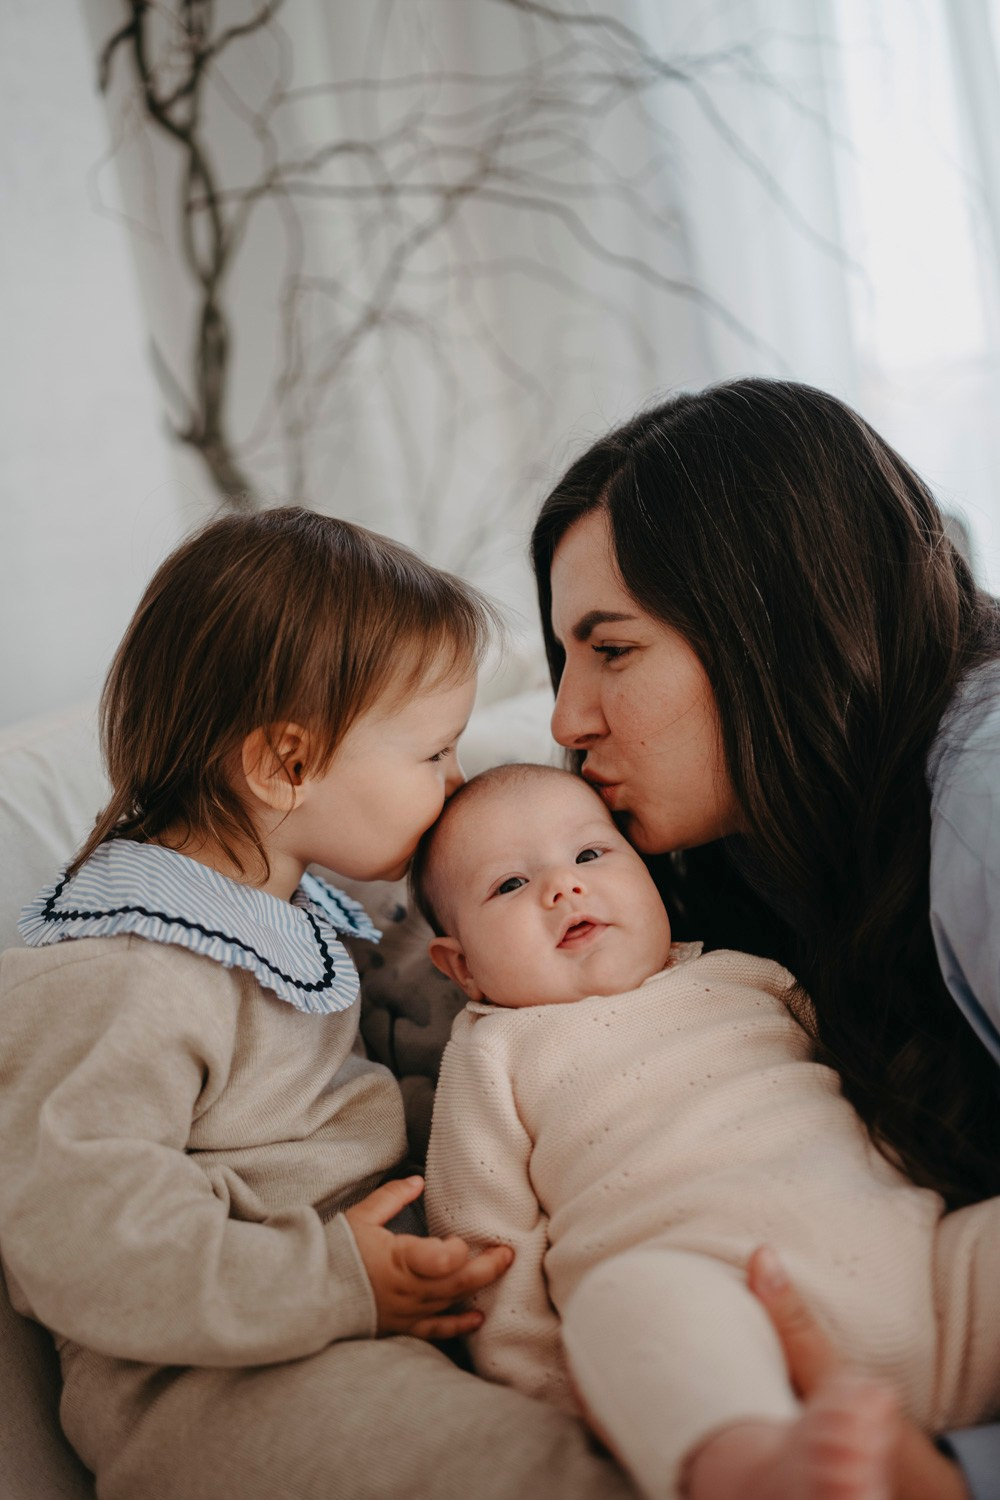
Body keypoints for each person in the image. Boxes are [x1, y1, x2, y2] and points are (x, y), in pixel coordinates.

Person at [0, 507, 636, 1500]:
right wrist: (335, 1281)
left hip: (365, 1302)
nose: (455, 779)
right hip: (224, 1384)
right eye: (433, 755)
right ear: (286, 766)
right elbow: (85, 1239)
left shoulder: (296, 905)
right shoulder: (116, 975)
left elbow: (367, 1093)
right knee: (521, 1473)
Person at [530, 377, 1000, 1500]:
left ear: (774, 625)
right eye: (563, 659)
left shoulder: (980, 791)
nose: (563, 719)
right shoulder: (750, 863)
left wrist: (952, 1476)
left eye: (614, 649)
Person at [416, 760, 1000, 1500]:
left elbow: (868, 1088)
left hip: (929, 1278)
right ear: (461, 966)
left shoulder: (749, 974)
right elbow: (488, 1245)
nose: (563, 887)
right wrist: (587, 1399)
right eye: (508, 885)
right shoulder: (495, 1049)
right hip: (721, 1330)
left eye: (591, 854)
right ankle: (753, 1468)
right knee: (622, 1301)